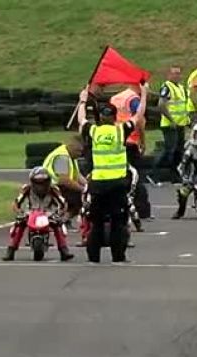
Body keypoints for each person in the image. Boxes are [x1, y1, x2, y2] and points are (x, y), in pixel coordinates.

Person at [78, 88, 134, 263]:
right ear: (115, 117)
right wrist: (145, 95)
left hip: (98, 184)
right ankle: (118, 256)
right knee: (119, 222)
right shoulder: (120, 131)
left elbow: (81, 120)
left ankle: (93, 257)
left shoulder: (94, 131)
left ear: (101, 118)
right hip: (117, 184)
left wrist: (82, 101)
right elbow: (138, 117)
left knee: (96, 223)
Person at [3, 167, 74, 262]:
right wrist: (20, 212)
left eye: (43, 183)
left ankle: (63, 250)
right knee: (19, 224)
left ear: (48, 182)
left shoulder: (54, 189)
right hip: (31, 212)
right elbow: (16, 203)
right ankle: (11, 250)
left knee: (58, 224)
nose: (40, 186)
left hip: (48, 213)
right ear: (32, 182)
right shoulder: (26, 189)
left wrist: (59, 214)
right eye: (37, 183)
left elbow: (63, 204)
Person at [111, 82, 151, 230]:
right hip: (131, 140)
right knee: (136, 176)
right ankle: (142, 209)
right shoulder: (133, 99)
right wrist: (142, 140)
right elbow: (139, 120)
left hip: (115, 141)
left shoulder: (116, 98)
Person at [42, 135, 87, 231]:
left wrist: (88, 186)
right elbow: (64, 180)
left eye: (81, 151)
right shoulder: (62, 158)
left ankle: (64, 220)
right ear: (70, 146)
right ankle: (58, 221)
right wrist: (83, 190)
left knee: (84, 195)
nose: (80, 154)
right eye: (78, 151)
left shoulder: (71, 157)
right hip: (49, 187)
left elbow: (77, 175)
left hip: (58, 186)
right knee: (79, 197)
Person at [155, 66, 190, 183]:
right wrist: (171, 120)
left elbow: (182, 106)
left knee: (179, 150)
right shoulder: (166, 87)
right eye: (174, 73)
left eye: (179, 73)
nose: (177, 76)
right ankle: (154, 172)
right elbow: (161, 105)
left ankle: (174, 174)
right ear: (169, 75)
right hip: (169, 124)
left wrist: (187, 120)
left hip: (180, 124)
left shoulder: (181, 88)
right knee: (170, 149)